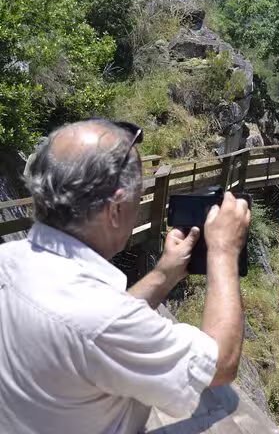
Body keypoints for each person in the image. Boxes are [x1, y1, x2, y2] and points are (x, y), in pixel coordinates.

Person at [0, 119, 250, 434]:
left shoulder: (9, 261)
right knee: (225, 403)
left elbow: (94, 326)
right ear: (116, 209)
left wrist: (164, 273)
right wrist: (224, 251)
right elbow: (220, 364)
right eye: (139, 194)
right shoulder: (101, 318)